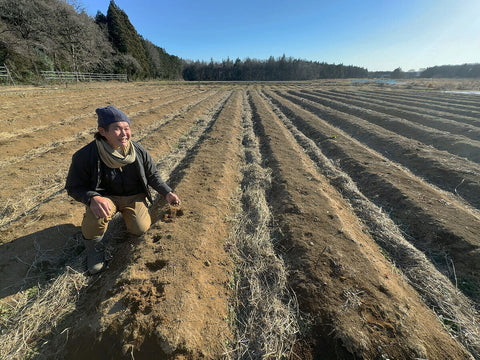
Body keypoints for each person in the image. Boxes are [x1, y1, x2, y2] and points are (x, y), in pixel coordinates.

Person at [65, 105, 180, 275]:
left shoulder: (138, 151)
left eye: (126, 128)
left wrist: (167, 192)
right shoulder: (85, 155)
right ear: (102, 131)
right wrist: (92, 198)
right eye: (117, 129)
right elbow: (73, 187)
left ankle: (128, 216)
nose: (124, 133)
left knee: (140, 228)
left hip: (134, 197)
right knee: (96, 215)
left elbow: (153, 176)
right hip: (105, 198)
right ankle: (94, 251)